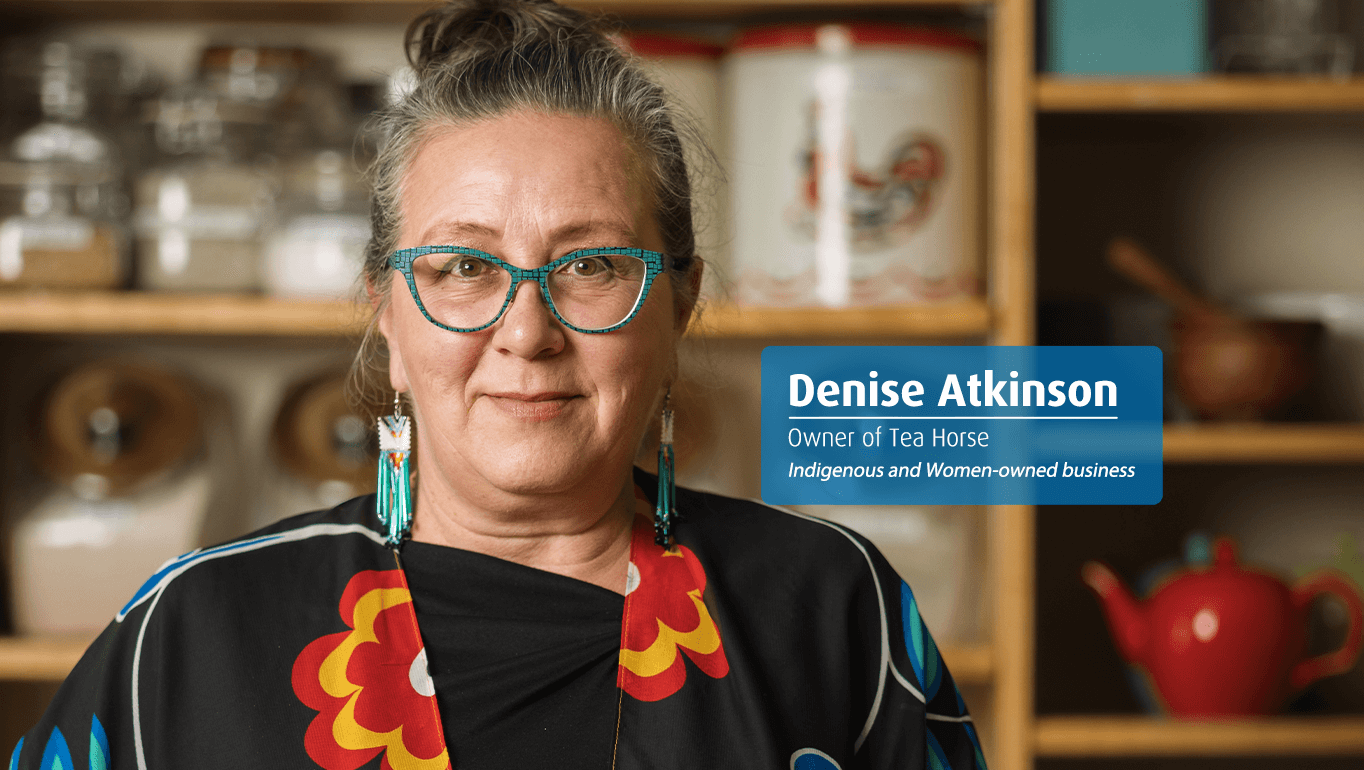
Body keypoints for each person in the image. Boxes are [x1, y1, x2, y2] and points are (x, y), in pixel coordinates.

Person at [10, 1, 987, 768]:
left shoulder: (830, 607)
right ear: (386, 313)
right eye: (463, 270)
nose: (526, 331)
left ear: (678, 303)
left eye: (591, 264)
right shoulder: (192, 634)